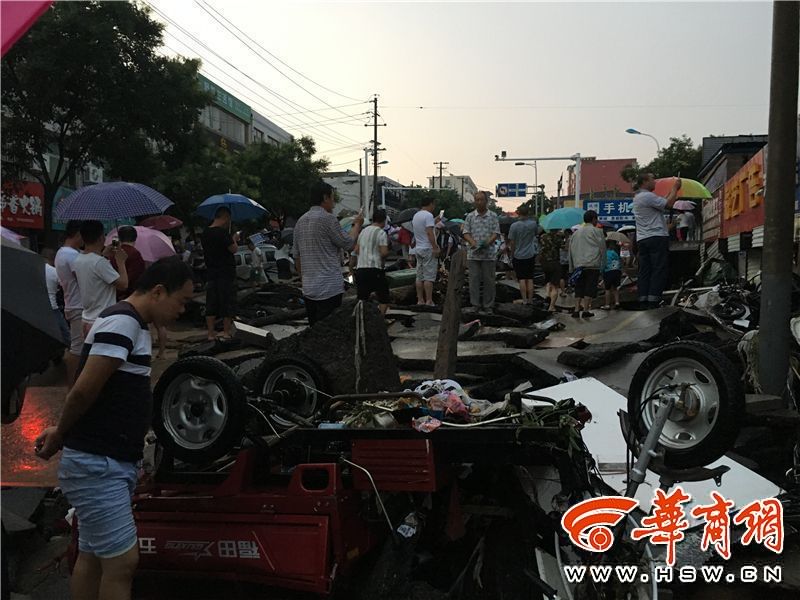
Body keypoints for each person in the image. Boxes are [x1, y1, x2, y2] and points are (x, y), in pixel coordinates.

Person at [34, 258, 194, 600]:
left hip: (106, 461)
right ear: (158, 291)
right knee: (122, 561)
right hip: (98, 463)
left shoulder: (130, 324)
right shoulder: (122, 322)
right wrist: (60, 432)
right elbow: (84, 388)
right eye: (181, 301)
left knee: (93, 556)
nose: (182, 310)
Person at [293, 181, 363, 325]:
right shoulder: (328, 219)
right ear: (325, 198)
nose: (334, 203)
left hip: (309, 289)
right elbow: (348, 243)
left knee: (315, 333)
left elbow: (297, 256)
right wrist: (357, 225)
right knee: (331, 333)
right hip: (329, 289)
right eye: (332, 198)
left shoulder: (300, 222)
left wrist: (303, 279)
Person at [632, 173, 682, 308]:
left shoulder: (638, 198)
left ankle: (643, 299)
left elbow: (662, 203)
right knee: (658, 268)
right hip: (656, 237)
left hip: (643, 238)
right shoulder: (647, 196)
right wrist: (675, 188)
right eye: (652, 179)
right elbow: (669, 204)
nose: (654, 182)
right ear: (644, 181)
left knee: (645, 270)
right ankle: (654, 300)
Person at [74, 220, 128, 337]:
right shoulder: (100, 262)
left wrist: (103, 255)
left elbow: (95, 271)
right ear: (101, 238)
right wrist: (121, 262)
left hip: (87, 318)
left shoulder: (79, 259)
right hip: (102, 320)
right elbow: (123, 284)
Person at [201, 206, 239, 341]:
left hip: (211, 272)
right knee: (226, 302)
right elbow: (233, 249)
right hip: (226, 273)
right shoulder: (223, 234)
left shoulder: (205, 233)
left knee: (211, 303)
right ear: (225, 217)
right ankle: (225, 331)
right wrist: (234, 238)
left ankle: (210, 333)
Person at [55, 220, 85, 387]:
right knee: (76, 349)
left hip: (72, 303)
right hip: (78, 305)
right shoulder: (71, 255)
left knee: (78, 347)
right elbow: (83, 276)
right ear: (78, 234)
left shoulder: (62, 253)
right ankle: (73, 386)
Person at [463, 191, 501, 313]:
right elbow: (466, 233)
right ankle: (475, 304)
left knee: (489, 280)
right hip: (473, 254)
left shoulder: (493, 216)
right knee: (473, 280)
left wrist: (487, 243)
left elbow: (496, 233)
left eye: (481, 200)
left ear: (486, 201)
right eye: (477, 200)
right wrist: (473, 243)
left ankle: (488, 305)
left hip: (488, 254)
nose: (479, 202)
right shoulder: (470, 216)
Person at [568, 210, 606, 319]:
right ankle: (585, 310)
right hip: (592, 264)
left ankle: (576, 310)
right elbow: (602, 249)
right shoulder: (597, 231)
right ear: (594, 219)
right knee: (590, 287)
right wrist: (603, 265)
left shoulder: (575, 233)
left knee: (579, 288)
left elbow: (570, 251)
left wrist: (571, 267)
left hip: (578, 265)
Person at [354, 209, 391, 315]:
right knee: (384, 297)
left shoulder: (363, 232)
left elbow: (356, 250)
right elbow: (384, 253)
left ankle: (363, 320)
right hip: (375, 269)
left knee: (362, 299)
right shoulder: (381, 233)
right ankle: (380, 319)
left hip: (361, 269)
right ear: (384, 221)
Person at [507, 205, 539, 304]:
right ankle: (530, 299)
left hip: (518, 255)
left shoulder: (514, 226)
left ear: (518, 213)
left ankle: (524, 300)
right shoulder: (533, 224)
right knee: (529, 278)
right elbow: (536, 234)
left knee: (521, 278)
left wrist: (512, 255)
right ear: (528, 213)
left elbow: (512, 242)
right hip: (530, 254)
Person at [411, 197, 440, 305]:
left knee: (419, 276)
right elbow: (429, 233)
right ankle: (429, 300)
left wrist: (434, 221)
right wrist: (435, 247)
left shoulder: (416, 215)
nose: (434, 207)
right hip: (428, 248)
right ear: (431, 204)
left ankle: (420, 300)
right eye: (434, 205)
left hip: (418, 248)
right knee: (429, 277)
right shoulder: (428, 215)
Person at [42, 248, 70, 347]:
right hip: (52, 307)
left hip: (38, 306)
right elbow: (66, 287)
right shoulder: (54, 271)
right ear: (53, 259)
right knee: (65, 333)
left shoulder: (34, 268)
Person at [110, 226, 146, 301]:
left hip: (113, 295)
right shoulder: (135, 254)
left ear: (119, 238)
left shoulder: (113, 253)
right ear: (135, 238)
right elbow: (137, 277)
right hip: (130, 297)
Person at [539, 229, 562, 312]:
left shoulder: (543, 236)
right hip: (554, 262)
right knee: (555, 286)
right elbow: (564, 247)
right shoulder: (558, 237)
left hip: (544, 262)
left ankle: (547, 296)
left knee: (548, 281)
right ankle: (552, 306)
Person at [602, 239, 622, 310]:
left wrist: (601, 272)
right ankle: (617, 302)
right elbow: (619, 261)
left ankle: (607, 305)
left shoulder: (604, 254)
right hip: (617, 271)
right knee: (615, 288)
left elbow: (603, 265)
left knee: (607, 289)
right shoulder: (614, 252)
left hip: (608, 272)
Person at [559, 229, 571, 296]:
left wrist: (562, 247)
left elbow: (567, 248)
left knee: (562, 276)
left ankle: (564, 291)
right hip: (568, 260)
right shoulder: (566, 240)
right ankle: (567, 289)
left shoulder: (569, 239)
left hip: (564, 260)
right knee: (568, 275)